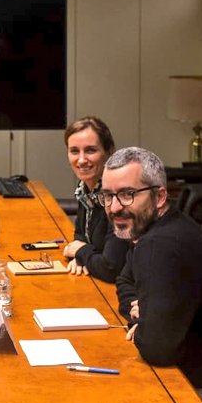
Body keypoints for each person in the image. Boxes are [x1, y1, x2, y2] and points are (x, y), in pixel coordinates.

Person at [105, 146, 202, 390]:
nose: (114, 207)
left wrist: (145, 319)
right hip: (192, 376)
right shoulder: (160, 227)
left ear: (160, 197)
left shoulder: (161, 245)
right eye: (108, 196)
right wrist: (146, 313)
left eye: (127, 194)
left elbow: (156, 349)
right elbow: (125, 280)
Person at [60, 116, 129, 281]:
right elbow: (80, 237)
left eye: (91, 150)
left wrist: (81, 253)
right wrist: (82, 256)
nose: (82, 160)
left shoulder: (118, 197)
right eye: (74, 151)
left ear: (109, 152)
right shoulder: (86, 188)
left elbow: (111, 267)